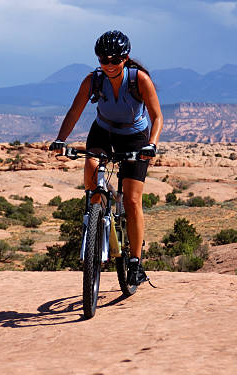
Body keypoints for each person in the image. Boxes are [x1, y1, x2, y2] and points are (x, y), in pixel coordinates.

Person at [49, 30, 163, 286]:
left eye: (115, 60)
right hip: (103, 132)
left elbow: (157, 116)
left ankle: (134, 262)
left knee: (133, 201)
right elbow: (75, 110)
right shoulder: (93, 80)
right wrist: (61, 139)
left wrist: (152, 144)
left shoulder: (139, 79)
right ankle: (101, 210)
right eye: (103, 60)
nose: (109, 65)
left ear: (125, 58)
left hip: (134, 137)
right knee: (91, 177)